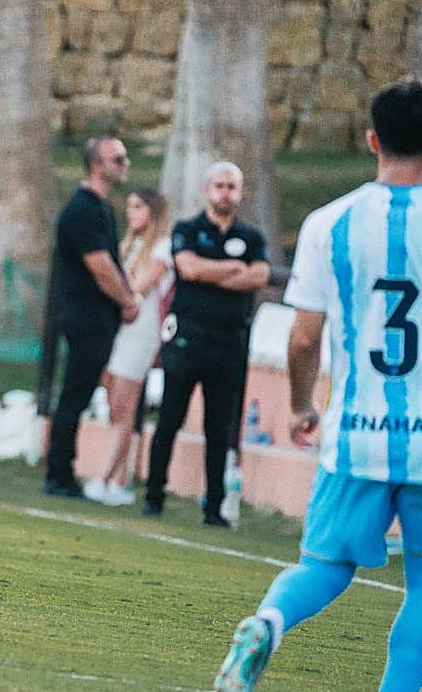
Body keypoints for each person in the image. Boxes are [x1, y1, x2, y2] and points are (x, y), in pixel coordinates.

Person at [214, 78, 422, 692]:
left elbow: (305, 336)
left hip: (355, 434)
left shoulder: (329, 223)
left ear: (372, 141)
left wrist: (302, 405)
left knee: (325, 565)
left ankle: (268, 621)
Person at [142, 162, 270, 527]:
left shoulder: (251, 237)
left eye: (232, 186)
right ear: (206, 190)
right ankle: (153, 495)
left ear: (240, 192)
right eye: (219, 185)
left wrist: (212, 270)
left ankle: (214, 506)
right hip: (188, 338)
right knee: (170, 418)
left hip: (228, 342)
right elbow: (189, 269)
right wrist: (234, 268)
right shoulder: (188, 229)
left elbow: (260, 275)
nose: (225, 192)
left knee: (219, 428)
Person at [43, 137, 140, 498]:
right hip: (86, 315)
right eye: (118, 158)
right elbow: (101, 267)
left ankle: (61, 470)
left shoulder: (101, 209)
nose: (125, 164)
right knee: (75, 393)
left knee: (78, 393)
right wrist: (128, 301)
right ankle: (59, 473)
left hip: (99, 315)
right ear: (96, 165)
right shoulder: (82, 210)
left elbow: (112, 261)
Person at [82, 187, 172, 507]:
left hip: (140, 332)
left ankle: (106, 477)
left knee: (124, 405)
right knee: (114, 404)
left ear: (152, 212)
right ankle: (119, 480)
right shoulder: (130, 244)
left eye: (138, 207)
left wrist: (113, 289)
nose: (131, 212)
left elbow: (137, 288)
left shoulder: (162, 248)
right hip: (119, 329)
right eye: (130, 206)